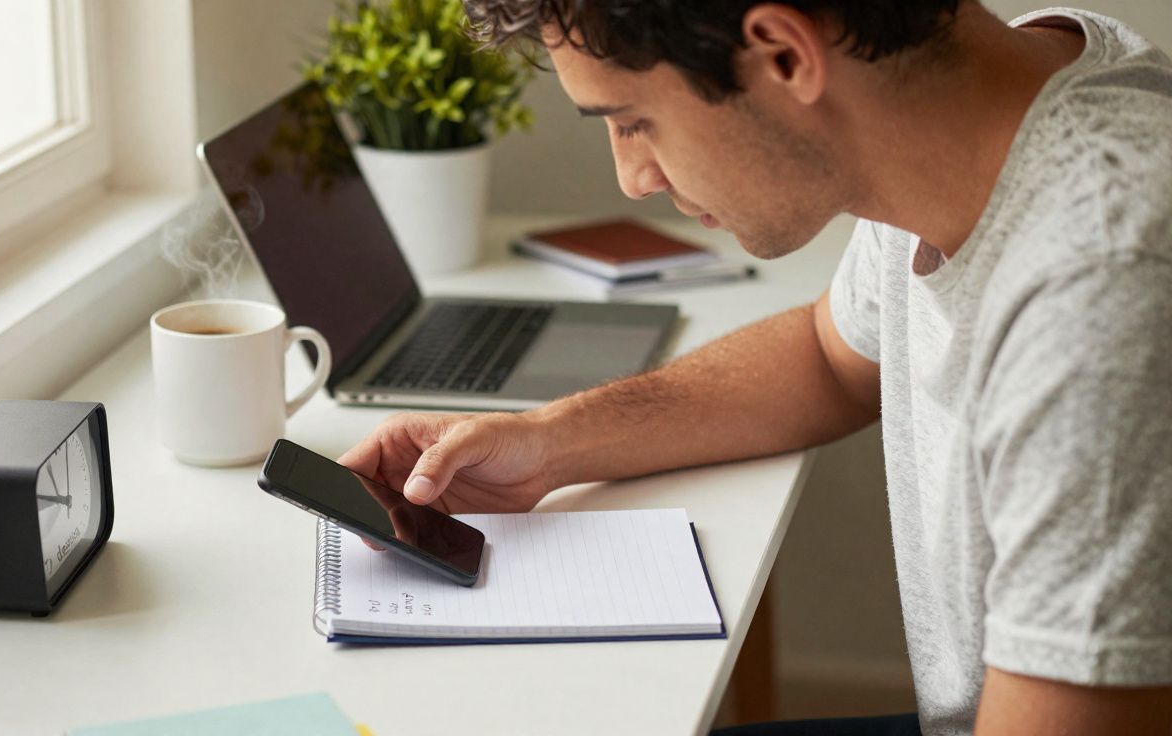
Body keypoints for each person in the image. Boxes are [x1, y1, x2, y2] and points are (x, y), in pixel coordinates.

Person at [338, 1, 1172, 733]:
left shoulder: (1099, 285)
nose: (632, 177)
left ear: (783, 53)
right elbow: (829, 357)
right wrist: (548, 443)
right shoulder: (968, 116)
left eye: (632, 121)